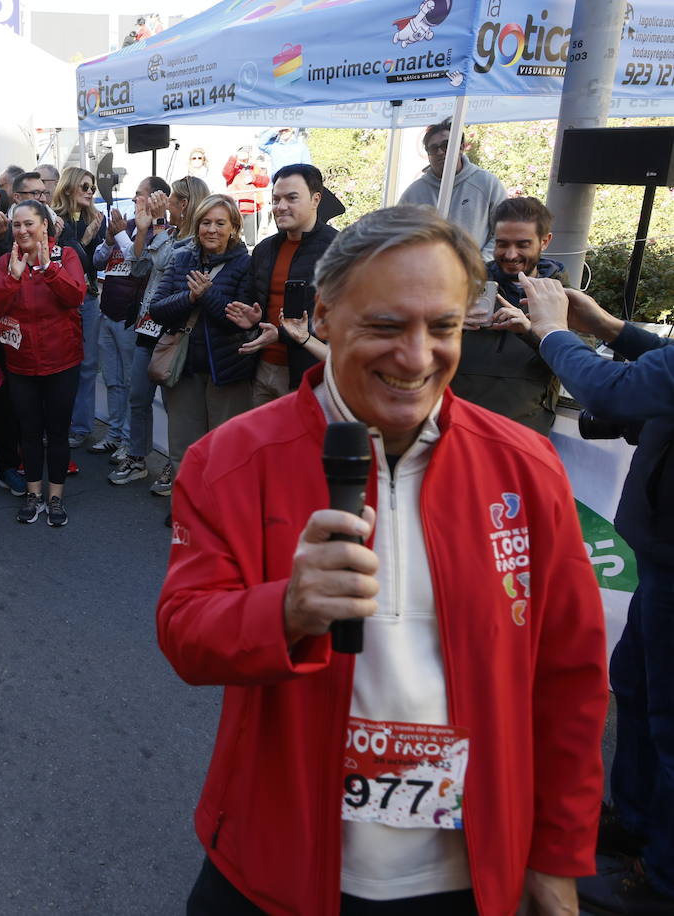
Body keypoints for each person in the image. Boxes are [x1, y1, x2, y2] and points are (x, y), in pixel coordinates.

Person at [159, 205, 608, 916]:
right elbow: (186, 633)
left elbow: (569, 680)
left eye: (444, 326)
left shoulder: (524, 466)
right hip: (275, 865)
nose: (417, 356)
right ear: (326, 317)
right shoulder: (229, 460)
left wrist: (557, 856)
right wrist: (286, 609)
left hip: (464, 874)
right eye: (387, 326)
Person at [525, 280, 674, 913]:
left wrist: (553, 330)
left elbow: (612, 391)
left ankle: (663, 877)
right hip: (660, 556)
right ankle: (634, 823)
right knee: (637, 693)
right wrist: (611, 328)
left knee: (668, 723)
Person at [0, 199, 87, 526]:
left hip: (62, 361)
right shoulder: (5, 261)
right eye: (17, 225)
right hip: (21, 363)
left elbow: (76, 296)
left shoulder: (65, 256)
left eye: (29, 224)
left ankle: (55, 496)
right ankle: (33, 492)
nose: (23, 230)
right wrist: (12, 279)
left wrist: (48, 268)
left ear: (45, 226)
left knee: (56, 431)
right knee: (28, 430)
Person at [147, 193, 254, 500]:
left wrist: (206, 296)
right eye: (206, 222)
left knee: (224, 449)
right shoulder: (182, 258)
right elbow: (157, 309)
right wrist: (190, 298)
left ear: (233, 227)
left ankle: (221, 515)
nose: (212, 229)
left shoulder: (246, 265)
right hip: (185, 369)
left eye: (221, 223)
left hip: (227, 371)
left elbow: (238, 319)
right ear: (196, 225)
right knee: (184, 447)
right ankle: (188, 509)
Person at [110, 175, 209, 490]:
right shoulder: (165, 231)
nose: (164, 203)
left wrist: (156, 224)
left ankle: (174, 465)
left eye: (171, 200)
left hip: (175, 332)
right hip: (147, 327)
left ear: (184, 203)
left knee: (176, 408)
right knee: (138, 397)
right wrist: (143, 229)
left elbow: (168, 261)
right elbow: (139, 266)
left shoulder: (198, 240)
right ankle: (138, 458)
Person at [226, 163, 338, 407]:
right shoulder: (264, 249)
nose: (281, 206)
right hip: (261, 368)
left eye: (292, 198)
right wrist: (251, 317)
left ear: (315, 199)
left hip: (309, 374)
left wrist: (283, 334)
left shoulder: (338, 250)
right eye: (276, 199)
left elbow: (341, 318)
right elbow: (252, 298)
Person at [449, 196, 563, 434]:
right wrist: (448, 324)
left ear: (545, 242)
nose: (511, 255)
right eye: (502, 244)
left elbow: (578, 368)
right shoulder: (459, 285)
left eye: (522, 244)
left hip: (521, 438)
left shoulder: (564, 298)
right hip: (455, 429)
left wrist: (530, 333)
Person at [89, 176, 167, 455]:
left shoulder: (161, 231)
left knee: (131, 384)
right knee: (111, 379)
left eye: (140, 194)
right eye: (134, 195)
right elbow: (98, 262)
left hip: (131, 318)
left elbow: (141, 266)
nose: (135, 200)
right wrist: (109, 239)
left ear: (157, 198)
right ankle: (114, 433)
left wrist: (120, 236)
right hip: (108, 312)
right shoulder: (127, 226)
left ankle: (127, 440)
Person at [398, 119, 508, 257]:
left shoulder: (487, 183)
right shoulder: (413, 194)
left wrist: (481, 262)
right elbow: (399, 236)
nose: (440, 152)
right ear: (428, 154)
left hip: (475, 273)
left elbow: (504, 231)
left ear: (461, 147)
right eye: (433, 148)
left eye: (446, 145)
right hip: (427, 273)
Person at [53, 167, 104, 450]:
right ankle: (60, 423)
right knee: (61, 364)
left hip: (89, 299)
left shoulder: (96, 219)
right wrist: (83, 243)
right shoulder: (53, 220)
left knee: (88, 365)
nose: (89, 191)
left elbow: (97, 264)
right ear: (70, 187)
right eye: (84, 186)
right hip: (60, 302)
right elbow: (62, 265)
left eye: (92, 187)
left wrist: (100, 241)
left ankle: (82, 425)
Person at [221, 146, 271, 246]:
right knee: (231, 241)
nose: (245, 156)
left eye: (247, 153)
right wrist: (235, 158)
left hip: (252, 210)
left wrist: (253, 178)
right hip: (234, 210)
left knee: (251, 242)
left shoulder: (255, 168)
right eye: (243, 152)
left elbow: (265, 181)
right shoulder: (233, 167)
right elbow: (226, 174)